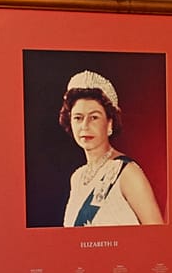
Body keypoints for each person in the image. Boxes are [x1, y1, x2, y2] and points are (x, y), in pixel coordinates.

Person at [59, 71, 162, 227]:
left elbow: (159, 235)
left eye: (94, 117)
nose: (85, 126)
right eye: (78, 118)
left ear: (109, 124)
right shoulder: (77, 178)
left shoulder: (128, 172)